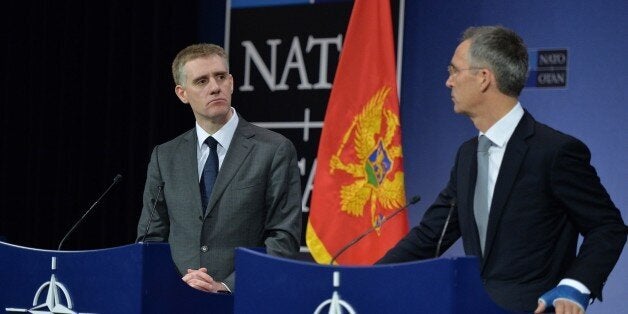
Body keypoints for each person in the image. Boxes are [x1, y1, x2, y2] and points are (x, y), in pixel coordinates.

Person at [377, 26, 626, 313]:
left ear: (484, 78)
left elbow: (607, 226)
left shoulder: (554, 151)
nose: (448, 82)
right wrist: (366, 279)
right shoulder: (467, 155)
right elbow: (430, 236)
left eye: (455, 71)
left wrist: (576, 286)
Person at [136, 43, 302, 293]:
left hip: (245, 299)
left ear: (232, 82)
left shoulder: (274, 150)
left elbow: (284, 239)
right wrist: (174, 285)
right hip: (175, 299)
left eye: (221, 77)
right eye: (202, 81)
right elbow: (150, 238)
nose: (215, 87)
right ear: (182, 93)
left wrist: (225, 286)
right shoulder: (165, 156)